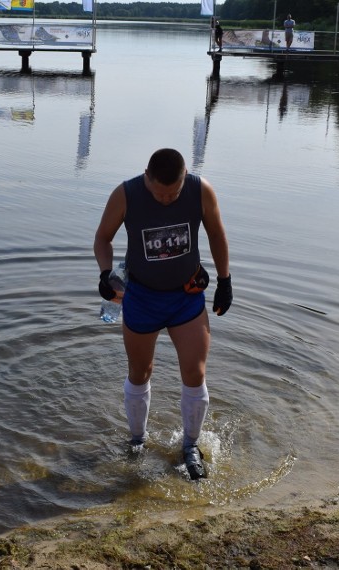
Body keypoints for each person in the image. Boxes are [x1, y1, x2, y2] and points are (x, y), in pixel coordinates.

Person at [93, 148, 232, 480]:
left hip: (186, 297)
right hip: (140, 296)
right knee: (140, 372)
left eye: (174, 193)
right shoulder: (125, 195)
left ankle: (191, 447)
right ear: (147, 176)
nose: (167, 199)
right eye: (160, 193)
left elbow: (215, 233)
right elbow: (103, 238)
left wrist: (225, 280)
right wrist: (105, 272)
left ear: (185, 178)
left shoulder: (201, 190)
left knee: (195, 372)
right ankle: (138, 441)